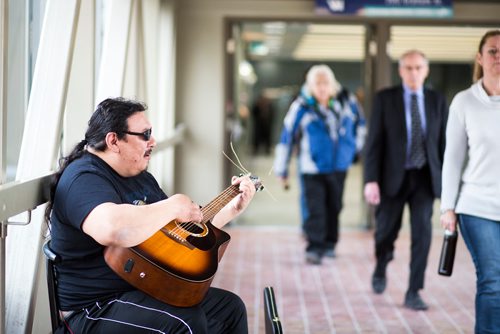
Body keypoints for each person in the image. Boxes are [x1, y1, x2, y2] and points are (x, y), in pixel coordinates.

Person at [44, 97, 257, 333]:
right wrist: (172, 206)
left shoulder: (140, 176)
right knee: (187, 321)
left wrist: (230, 209)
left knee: (230, 308)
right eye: (145, 134)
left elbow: (176, 235)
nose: (152, 141)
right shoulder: (83, 178)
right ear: (114, 140)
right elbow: (111, 228)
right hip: (94, 308)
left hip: (141, 287)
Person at [363, 50, 448, 310]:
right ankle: (381, 265)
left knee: (422, 235)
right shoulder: (385, 99)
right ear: (401, 71)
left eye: (418, 68)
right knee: (385, 232)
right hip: (392, 178)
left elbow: (445, 144)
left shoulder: (437, 100)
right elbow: (373, 142)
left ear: (426, 70)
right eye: (409, 68)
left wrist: (449, 183)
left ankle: (414, 290)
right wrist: (371, 180)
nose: (413, 73)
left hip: (425, 177)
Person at [274, 64, 365, 265]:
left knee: (335, 205)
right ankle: (314, 247)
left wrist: (353, 151)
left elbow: (361, 125)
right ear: (310, 85)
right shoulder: (301, 106)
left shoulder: (347, 101)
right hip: (311, 167)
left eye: (326, 83)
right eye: (317, 83)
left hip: (339, 165)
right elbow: (287, 136)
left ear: (333, 85)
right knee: (316, 208)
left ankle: (330, 243)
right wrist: (282, 168)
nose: (322, 88)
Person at [440, 29, 500, 333]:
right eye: (493, 51)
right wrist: (447, 208)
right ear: (480, 57)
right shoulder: (464, 102)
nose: (498, 57)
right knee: (492, 281)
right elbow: (452, 159)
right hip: (478, 207)